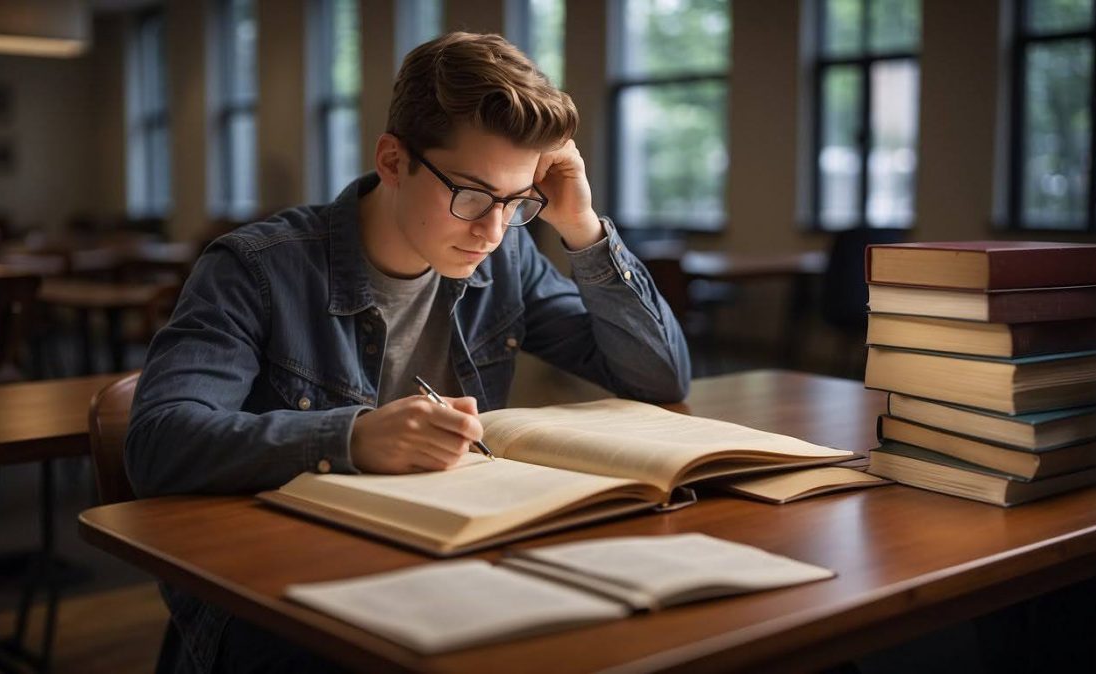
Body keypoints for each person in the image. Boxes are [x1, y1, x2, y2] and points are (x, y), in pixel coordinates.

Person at [126, 31, 690, 673]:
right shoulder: (255, 270)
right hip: (275, 596)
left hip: (446, 563)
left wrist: (582, 229)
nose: (492, 229)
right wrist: (351, 439)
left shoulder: (505, 258)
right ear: (393, 161)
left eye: (516, 202)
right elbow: (157, 445)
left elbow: (658, 374)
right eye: (473, 195)